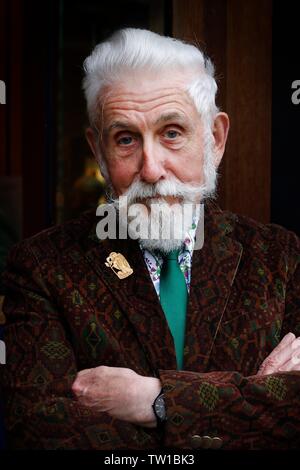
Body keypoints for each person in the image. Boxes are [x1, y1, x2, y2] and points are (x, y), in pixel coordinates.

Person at [1, 28, 300, 450]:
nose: (152, 169)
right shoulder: (42, 267)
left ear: (214, 139)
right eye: (125, 139)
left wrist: (156, 401)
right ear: (100, 154)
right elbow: (39, 430)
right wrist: (251, 404)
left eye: (172, 132)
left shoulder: (280, 258)